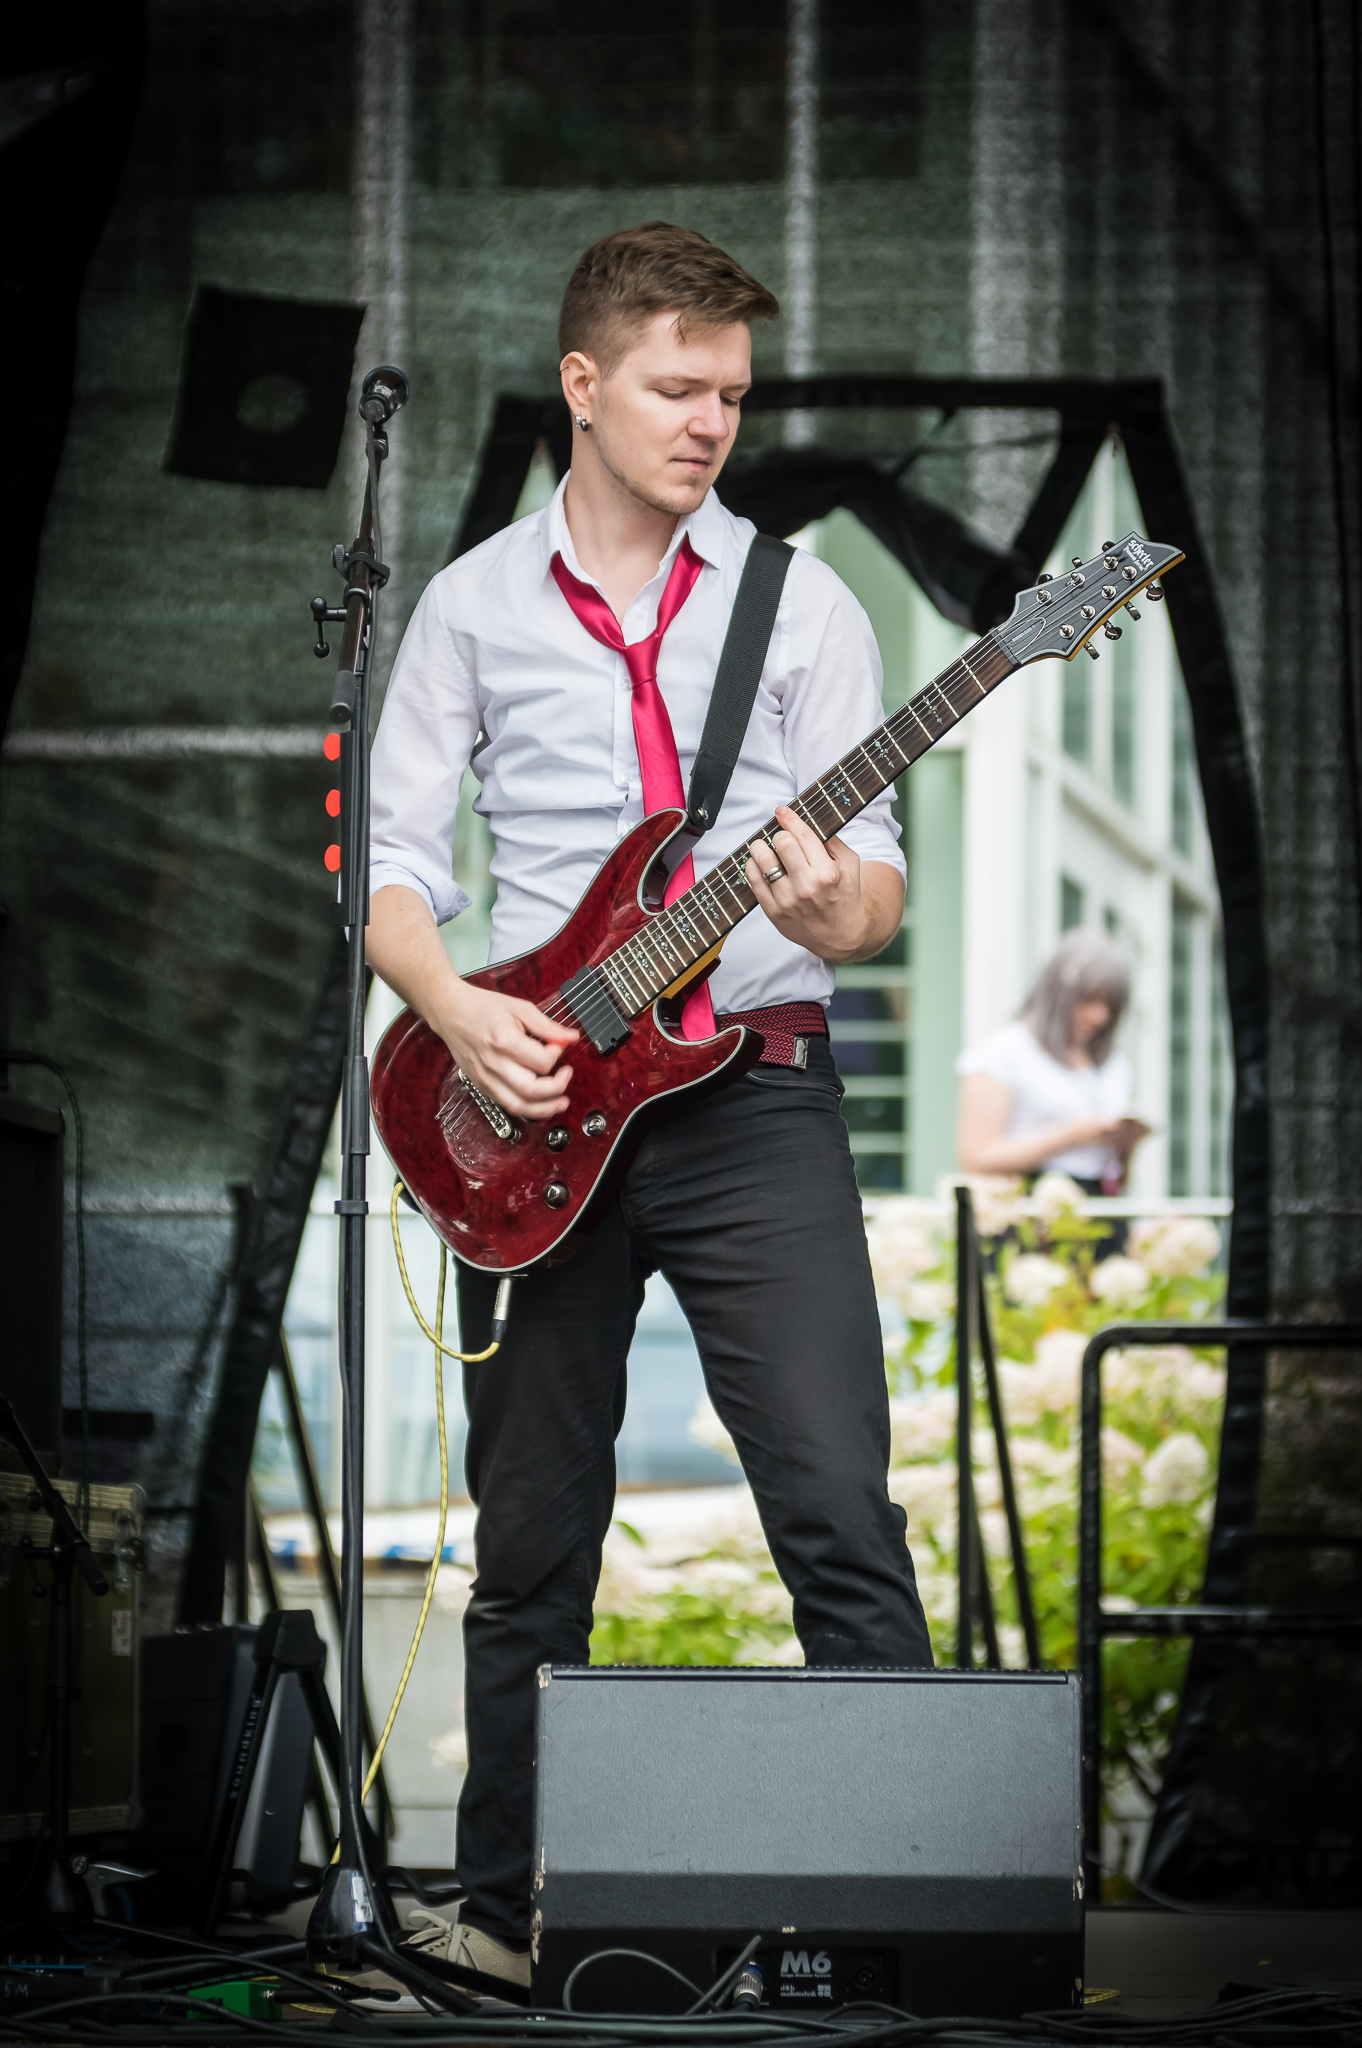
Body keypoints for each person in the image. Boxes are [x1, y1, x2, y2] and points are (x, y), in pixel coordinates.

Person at [364, 222, 934, 1988]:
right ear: (585, 383)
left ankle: (920, 1914)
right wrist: (457, 1015)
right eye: (678, 389)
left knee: (834, 1501)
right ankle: (501, 1918)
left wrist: (823, 908)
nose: (709, 424)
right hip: (534, 1108)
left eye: (731, 397)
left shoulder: (802, 602)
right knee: (533, 1537)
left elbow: (874, 883)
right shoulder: (468, 605)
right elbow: (388, 869)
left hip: (752, 1092)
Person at [955, 928, 1146, 1195]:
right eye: (1088, 1000)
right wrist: (1072, 1134)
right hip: (1032, 1204)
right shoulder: (1003, 1053)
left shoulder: (1113, 1065)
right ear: (1059, 993)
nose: (1099, 1016)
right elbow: (975, 1159)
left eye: (1110, 1006)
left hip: (1102, 1202)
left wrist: (1125, 1145)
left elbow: (1120, 1176)